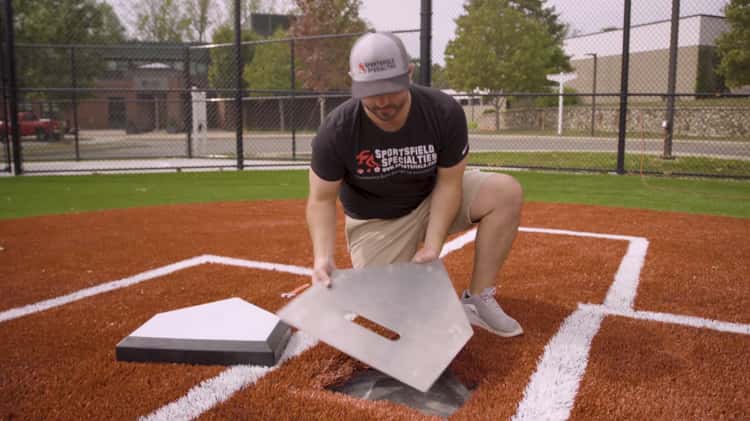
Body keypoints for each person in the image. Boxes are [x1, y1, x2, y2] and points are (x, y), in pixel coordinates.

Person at [306, 32, 523, 338]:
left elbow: (449, 184)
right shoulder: (337, 129)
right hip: (377, 220)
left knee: (505, 192)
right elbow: (321, 200)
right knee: (388, 308)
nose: (382, 102)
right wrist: (322, 256)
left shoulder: (443, 112)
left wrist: (434, 244)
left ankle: (477, 300)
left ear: (409, 73)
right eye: (371, 91)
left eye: (390, 88)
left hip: (431, 196)